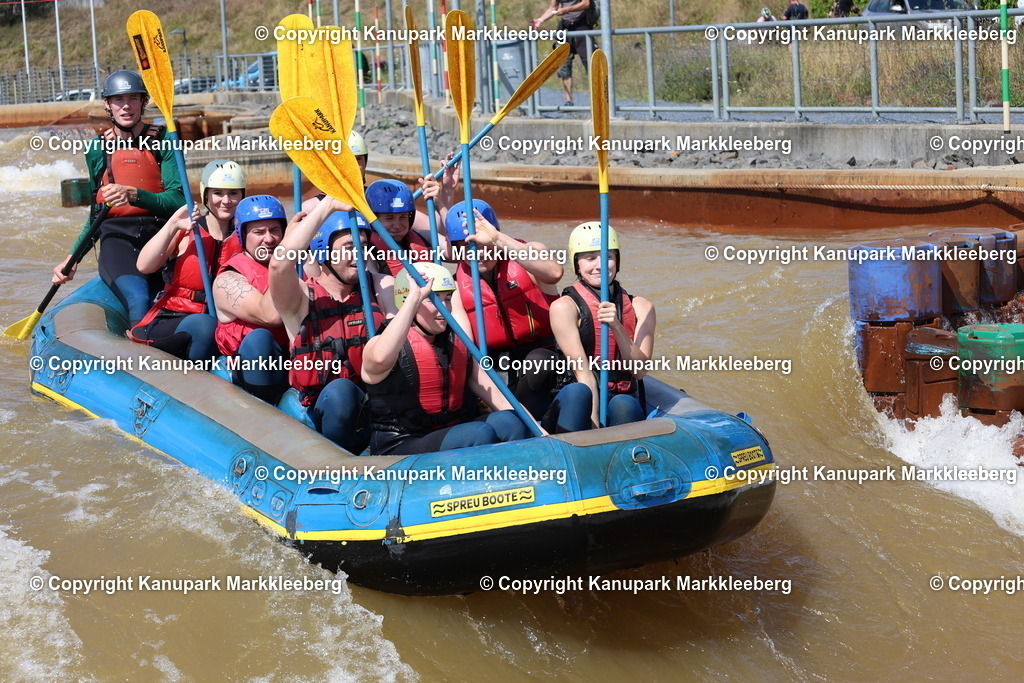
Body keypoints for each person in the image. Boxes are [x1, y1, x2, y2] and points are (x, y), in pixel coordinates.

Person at [52, 70, 184, 325]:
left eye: (133, 99)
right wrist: (72, 257)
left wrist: (133, 194)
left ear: (143, 102)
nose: (126, 106)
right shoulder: (96, 149)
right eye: (118, 99)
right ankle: (141, 361)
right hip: (117, 238)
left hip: (162, 236)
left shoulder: (164, 140)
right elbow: (95, 216)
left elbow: (179, 201)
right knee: (139, 300)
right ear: (107, 105)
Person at [362, 262, 533, 455]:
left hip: (447, 435)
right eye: (431, 299)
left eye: (448, 298)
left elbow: (501, 399)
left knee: (509, 421)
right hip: (399, 445)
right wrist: (414, 299)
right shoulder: (378, 345)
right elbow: (379, 360)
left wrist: (541, 434)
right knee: (477, 433)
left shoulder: (455, 344)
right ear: (407, 300)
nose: (443, 308)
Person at [269, 197, 384, 453]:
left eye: (363, 246)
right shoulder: (300, 298)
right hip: (327, 408)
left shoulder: (380, 287)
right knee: (341, 392)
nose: (358, 254)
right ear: (323, 250)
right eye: (348, 247)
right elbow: (279, 264)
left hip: (375, 407)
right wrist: (328, 206)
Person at [444, 199, 565, 417]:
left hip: (542, 359)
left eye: (483, 244)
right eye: (468, 247)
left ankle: (532, 421)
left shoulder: (530, 253)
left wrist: (498, 239)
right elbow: (470, 353)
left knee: (538, 361)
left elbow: (554, 272)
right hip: (495, 367)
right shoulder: (455, 290)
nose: (478, 253)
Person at [127, 160, 244, 360]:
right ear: (206, 195)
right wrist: (172, 224)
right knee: (205, 325)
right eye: (218, 193)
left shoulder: (248, 236)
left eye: (233, 193)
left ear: (243, 196)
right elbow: (144, 266)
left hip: (223, 320)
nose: (226, 200)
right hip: (175, 317)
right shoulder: (187, 229)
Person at [549, 223, 656, 428]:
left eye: (608, 257)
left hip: (621, 395)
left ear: (617, 260)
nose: (600, 265)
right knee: (578, 394)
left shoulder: (642, 307)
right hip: (579, 399)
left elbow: (640, 372)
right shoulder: (564, 308)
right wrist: (595, 426)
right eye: (590, 258)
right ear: (577, 264)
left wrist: (617, 325)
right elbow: (582, 372)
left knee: (624, 404)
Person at [212, 194, 293, 404]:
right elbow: (271, 316)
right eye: (259, 232)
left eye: (275, 230)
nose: (269, 239)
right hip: (252, 369)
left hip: (293, 360)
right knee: (260, 339)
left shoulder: (300, 264)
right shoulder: (227, 280)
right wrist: (282, 265)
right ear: (242, 235)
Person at [366, 179, 444, 276]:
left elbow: (459, 253)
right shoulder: (368, 251)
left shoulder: (425, 237)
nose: (397, 225)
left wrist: (440, 204)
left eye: (403, 217)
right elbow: (371, 284)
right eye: (389, 218)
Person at [531, 0, 596, 108]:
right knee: (564, 64)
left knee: (591, 63)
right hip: (565, 27)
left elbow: (586, 3)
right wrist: (540, 20)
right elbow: (553, 8)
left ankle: (598, 99)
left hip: (582, 25)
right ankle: (569, 101)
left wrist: (566, 10)